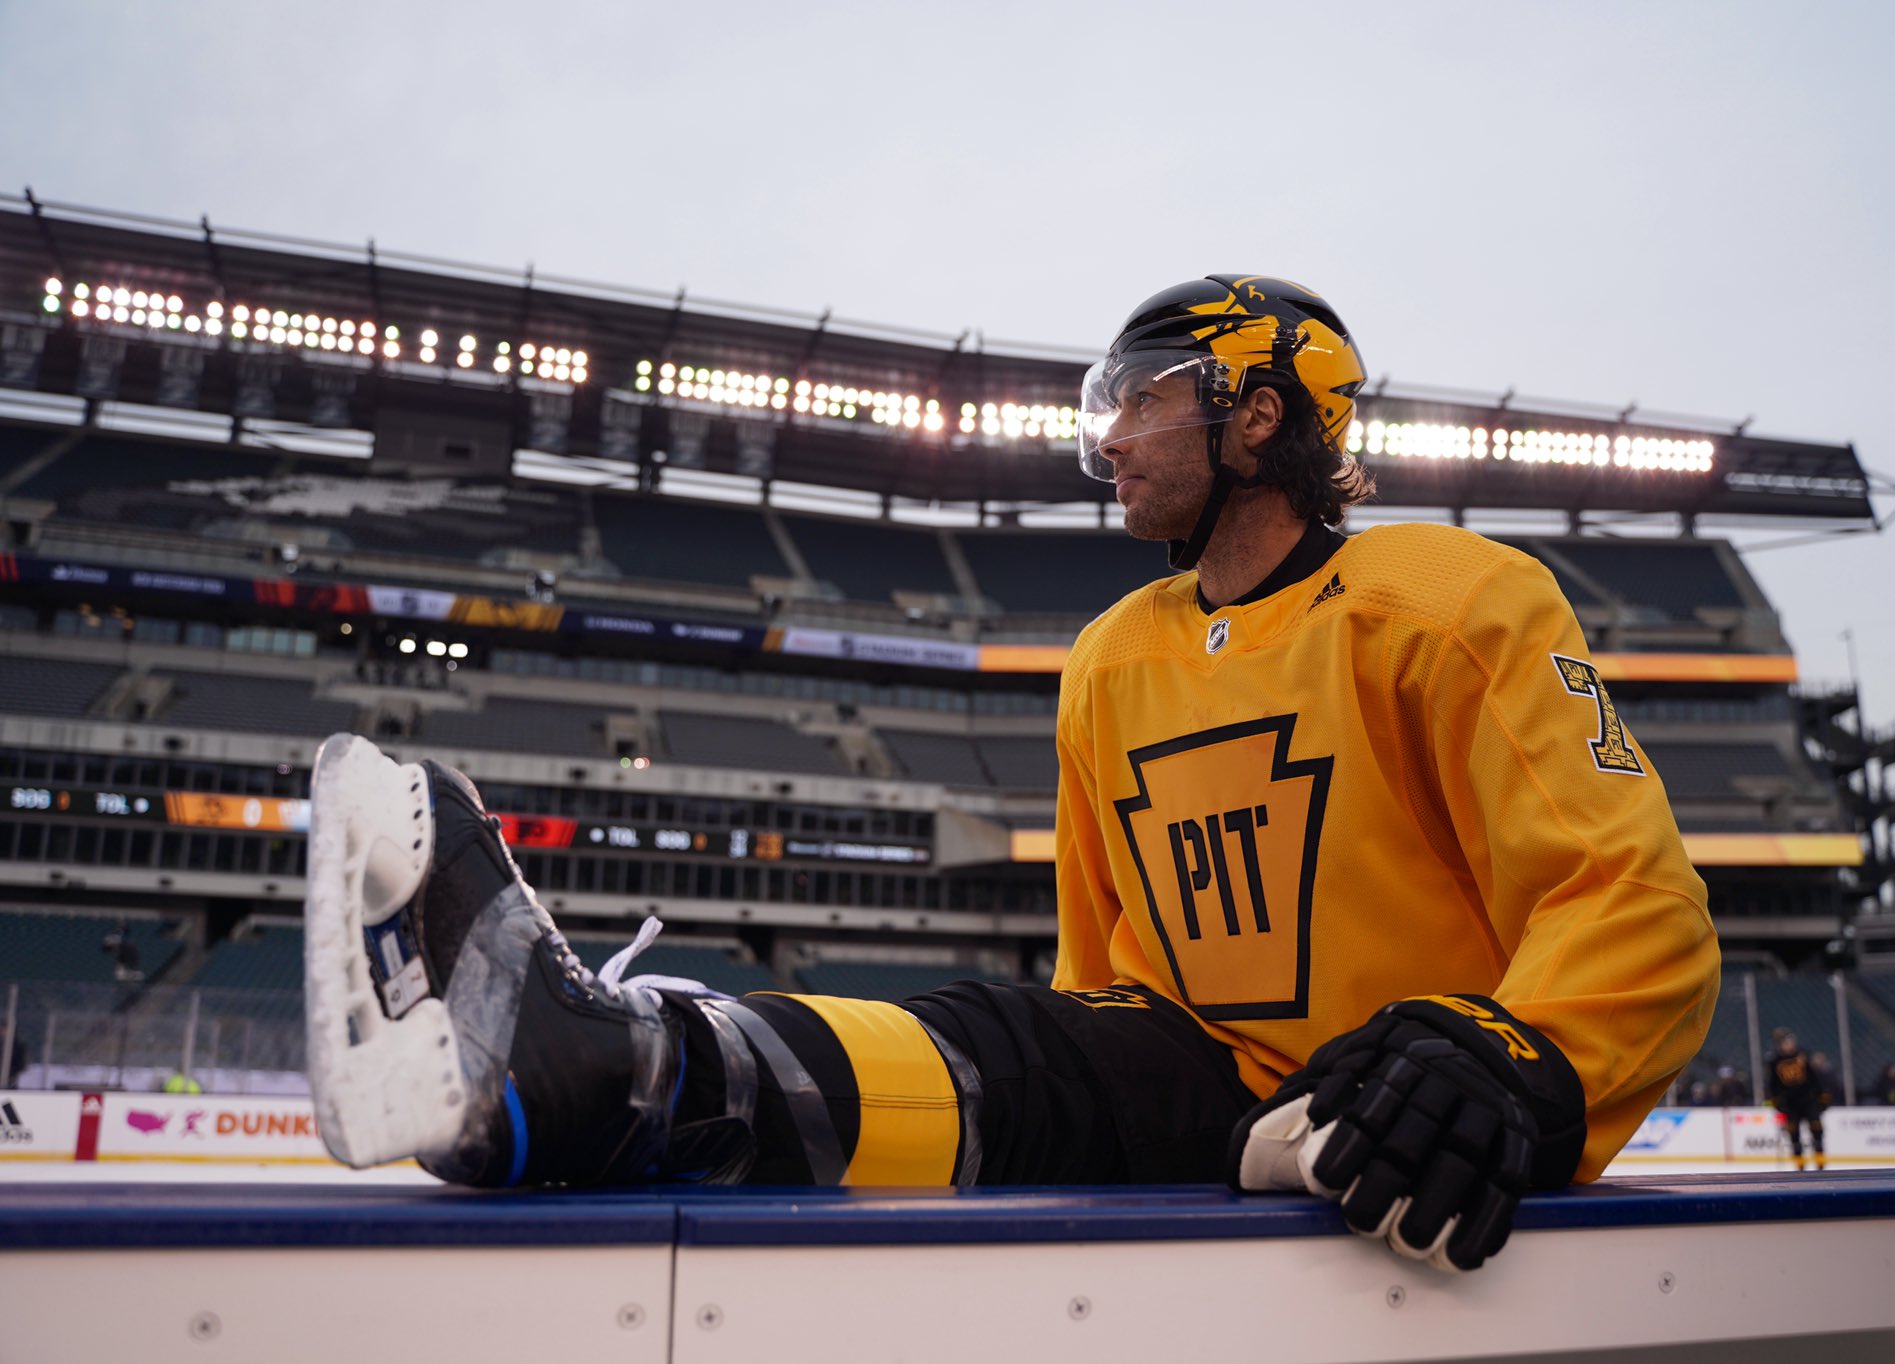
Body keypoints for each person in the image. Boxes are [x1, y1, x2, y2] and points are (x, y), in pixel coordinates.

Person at [303, 276, 1719, 1273]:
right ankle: (618, 1072)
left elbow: (1635, 906)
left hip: (1417, 1094)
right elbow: (1104, 974)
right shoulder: (1111, 657)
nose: (1110, 437)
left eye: (1147, 400)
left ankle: (614, 1065)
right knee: (1015, 1041)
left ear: (1263, 415)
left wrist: (1516, 1057)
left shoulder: (1454, 599)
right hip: (1208, 1087)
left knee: (1050, 1045)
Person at [1765, 1029, 1826, 1170]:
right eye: (1785, 1042)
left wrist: (1821, 1095)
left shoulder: (1802, 1056)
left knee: (1816, 1129)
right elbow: (1773, 1084)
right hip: (1790, 1103)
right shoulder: (1775, 1062)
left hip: (1807, 1099)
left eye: (1790, 1041)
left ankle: (1821, 1164)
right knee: (1794, 1135)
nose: (1789, 1045)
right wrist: (1776, 1101)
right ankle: (1800, 1168)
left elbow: (1813, 1077)